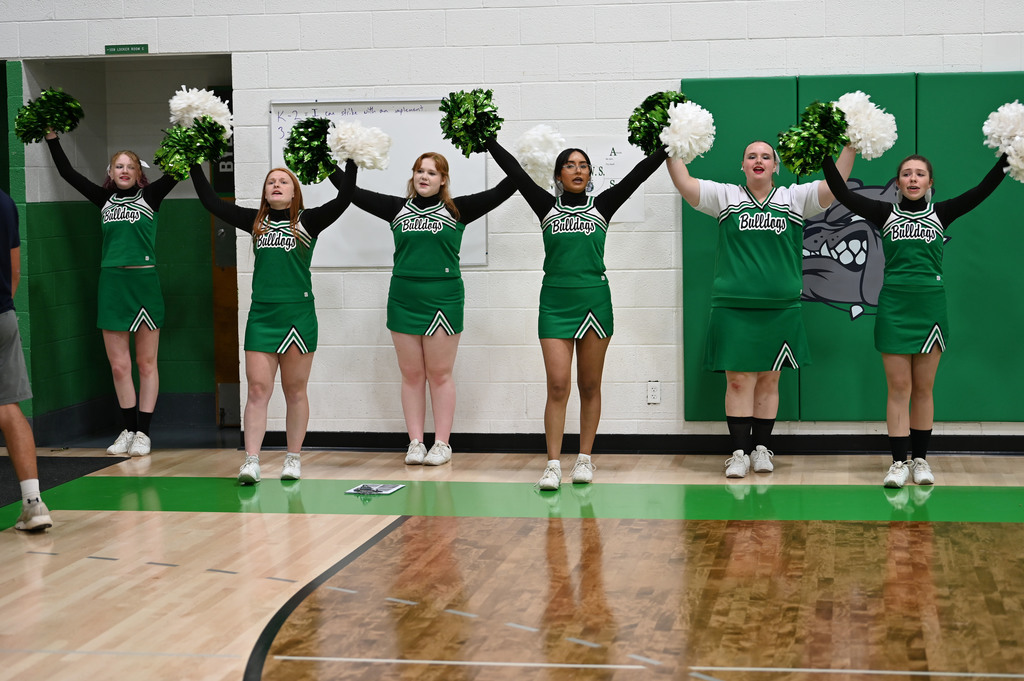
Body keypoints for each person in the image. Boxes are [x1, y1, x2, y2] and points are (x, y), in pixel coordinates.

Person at [485, 138, 668, 490]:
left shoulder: (602, 207)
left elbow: (637, 175)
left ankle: (584, 459)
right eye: (570, 165)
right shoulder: (545, 206)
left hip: (594, 302)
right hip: (554, 302)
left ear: (590, 173)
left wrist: (665, 146)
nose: (578, 169)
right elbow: (515, 172)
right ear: (557, 176)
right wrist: (489, 140)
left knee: (589, 384)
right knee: (557, 385)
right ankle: (552, 464)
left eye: (583, 164)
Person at [822, 150, 1009, 488]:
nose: (912, 179)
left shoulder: (942, 213)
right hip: (894, 306)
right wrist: (824, 155)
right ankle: (897, 464)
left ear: (930, 182)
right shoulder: (884, 213)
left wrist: (1008, 157)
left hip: (930, 308)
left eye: (919, 174)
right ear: (897, 182)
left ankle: (921, 460)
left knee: (923, 388)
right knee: (899, 388)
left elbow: (983, 189)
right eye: (906, 174)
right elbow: (842, 193)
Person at [668, 141, 855, 478]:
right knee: (738, 382)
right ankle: (738, 453)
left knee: (770, 380)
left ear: (775, 166)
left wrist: (850, 148)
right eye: (752, 155)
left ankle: (761, 449)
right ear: (742, 165)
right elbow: (685, 184)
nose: (758, 160)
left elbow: (835, 186)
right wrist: (671, 147)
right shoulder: (725, 197)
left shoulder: (793, 199)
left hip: (780, 308)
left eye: (766, 156)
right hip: (733, 307)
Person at [335, 154, 515, 466]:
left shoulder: (457, 210)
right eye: (419, 170)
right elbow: (348, 191)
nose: (424, 177)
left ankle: (442, 443)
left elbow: (502, 191)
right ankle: (416, 442)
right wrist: (335, 159)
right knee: (412, 374)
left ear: (443, 179)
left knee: (440, 374)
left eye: (432, 172)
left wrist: (526, 162)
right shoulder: (396, 209)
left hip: (443, 299)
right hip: (404, 298)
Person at [192, 161, 356, 483]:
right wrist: (196, 162)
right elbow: (211, 202)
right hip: (262, 316)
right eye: (271, 182)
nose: (277, 185)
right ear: (265, 193)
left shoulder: (308, 221)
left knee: (295, 391)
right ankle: (251, 461)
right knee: (257, 390)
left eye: (284, 182)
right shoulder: (255, 222)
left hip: (298, 315)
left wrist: (339, 161)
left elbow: (345, 196)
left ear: (295, 191)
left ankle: (292, 458)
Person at [44, 132, 182, 457]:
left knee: (145, 363)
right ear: (110, 172)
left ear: (138, 173)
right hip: (112, 285)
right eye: (118, 166)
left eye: (129, 167)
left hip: (144, 284)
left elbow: (178, 170)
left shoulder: (150, 197)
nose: (123, 171)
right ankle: (128, 429)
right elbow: (67, 173)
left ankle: (144, 433)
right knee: (119, 366)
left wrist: (193, 138)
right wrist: (52, 138)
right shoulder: (104, 201)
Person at [1, 188, 53, 531]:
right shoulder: (5, 201)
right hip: (2, 314)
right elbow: (15, 270)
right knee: (8, 406)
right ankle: (34, 502)